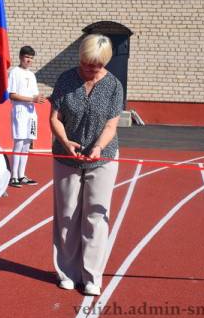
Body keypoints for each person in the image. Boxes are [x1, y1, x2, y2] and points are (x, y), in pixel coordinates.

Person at [49, 34, 123, 296]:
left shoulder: (113, 85)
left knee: (95, 216)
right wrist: (65, 141)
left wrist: (98, 147)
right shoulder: (66, 80)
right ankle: (67, 272)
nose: (90, 69)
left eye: (96, 65)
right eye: (86, 63)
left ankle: (91, 276)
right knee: (67, 214)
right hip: (66, 156)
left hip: (102, 157)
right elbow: (55, 118)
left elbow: (111, 125)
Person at [7, 45, 45, 188]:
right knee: (19, 142)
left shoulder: (31, 75)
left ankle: (22, 175)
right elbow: (12, 95)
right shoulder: (14, 72)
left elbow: (34, 94)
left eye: (31, 58)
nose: (29, 60)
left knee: (27, 144)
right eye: (27, 57)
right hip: (20, 111)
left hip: (31, 112)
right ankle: (14, 176)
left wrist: (39, 98)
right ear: (21, 57)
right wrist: (32, 99)